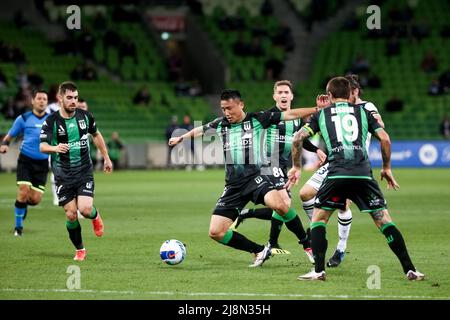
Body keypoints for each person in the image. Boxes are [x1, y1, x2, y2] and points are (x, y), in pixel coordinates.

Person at [288, 76, 424, 281]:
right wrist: (386, 167)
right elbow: (385, 138)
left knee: (319, 219)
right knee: (383, 220)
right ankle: (410, 269)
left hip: (336, 173)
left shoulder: (322, 114)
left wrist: (296, 166)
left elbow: (298, 137)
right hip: (362, 172)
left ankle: (318, 271)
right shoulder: (364, 111)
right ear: (350, 93)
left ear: (330, 95)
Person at [169, 89, 325, 267]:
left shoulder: (257, 119)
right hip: (233, 186)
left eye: (230, 108)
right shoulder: (221, 124)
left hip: (256, 179)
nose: (227, 112)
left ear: (240, 104)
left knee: (281, 206)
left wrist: (316, 109)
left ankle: (307, 244)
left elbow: (289, 114)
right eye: (223, 109)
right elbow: (201, 129)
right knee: (216, 232)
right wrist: (181, 137)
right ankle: (259, 250)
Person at [230, 80, 327, 263]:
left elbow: (300, 139)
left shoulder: (297, 118)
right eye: (280, 92)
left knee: (282, 207)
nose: (283, 95)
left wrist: (316, 150)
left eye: (286, 92)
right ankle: (299, 244)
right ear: (275, 96)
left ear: (291, 96)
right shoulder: (269, 116)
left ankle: (249, 218)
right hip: (268, 162)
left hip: (283, 165)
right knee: (285, 203)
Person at [299, 74, 385, 268]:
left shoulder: (367, 107)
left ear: (354, 92)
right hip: (335, 161)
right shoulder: (340, 109)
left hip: (356, 163)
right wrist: (322, 110)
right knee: (305, 194)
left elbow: (381, 128)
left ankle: (340, 248)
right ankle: (318, 229)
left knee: (343, 205)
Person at [40, 81, 113, 261]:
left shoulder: (85, 116)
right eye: (69, 98)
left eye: (76, 97)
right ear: (60, 98)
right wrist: (56, 148)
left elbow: (96, 135)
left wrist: (106, 157)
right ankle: (80, 249)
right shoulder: (51, 121)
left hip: (83, 171)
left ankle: (95, 216)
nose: (74, 101)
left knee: (85, 209)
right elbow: (42, 146)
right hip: (62, 175)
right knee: (71, 214)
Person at [0, 90, 49, 236]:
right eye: (39, 98)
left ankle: (23, 205)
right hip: (26, 160)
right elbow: (9, 136)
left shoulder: (52, 120)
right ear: (32, 101)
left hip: (42, 163)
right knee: (23, 191)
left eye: (45, 99)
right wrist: (4, 144)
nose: (42, 101)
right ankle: (18, 228)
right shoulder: (24, 118)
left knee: (34, 200)